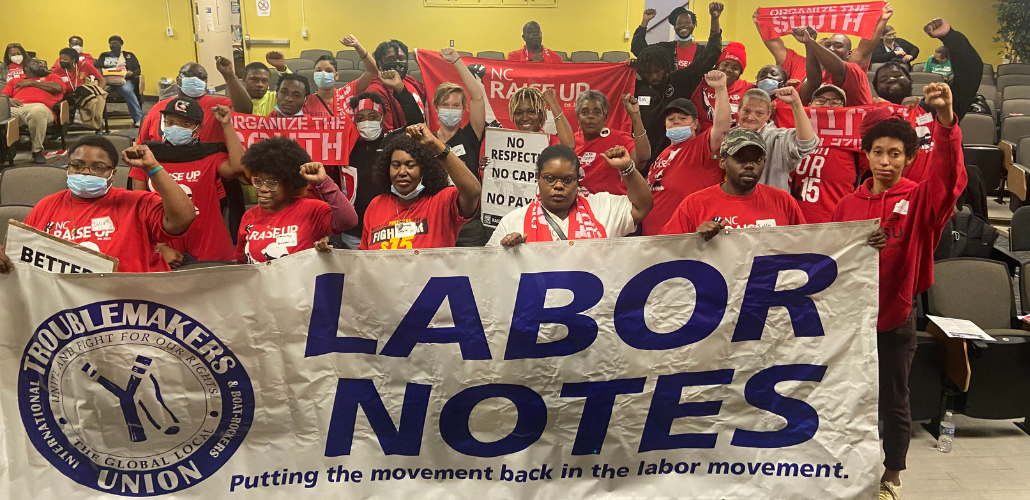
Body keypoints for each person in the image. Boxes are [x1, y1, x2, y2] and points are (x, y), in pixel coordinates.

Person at [831, 83, 965, 500]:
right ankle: (844, 465)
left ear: (909, 159)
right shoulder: (845, 206)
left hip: (895, 317)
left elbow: (947, 179)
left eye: (895, 154)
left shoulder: (921, 199)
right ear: (866, 154)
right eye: (878, 152)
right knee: (845, 397)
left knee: (893, 399)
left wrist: (946, 124)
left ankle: (891, 475)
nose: (885, 161)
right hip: (850, 320)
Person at [0, 136, 196, 274]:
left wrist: (153, 168)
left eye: (98, 167)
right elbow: (21, 255)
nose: (86, 172)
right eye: (77, 165)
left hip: (129, 307)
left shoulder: (136, 203)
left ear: (112, 173)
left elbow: (183, 218)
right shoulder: (47, 205)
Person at [129, 98, 245, 267]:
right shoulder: (147, 156)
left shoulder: (210, 154)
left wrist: (226, 125)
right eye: (169, 122)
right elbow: (138, 207)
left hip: (209, 244)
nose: (175, 127)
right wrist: (160, 248)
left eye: (184, 124)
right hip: (163, 243)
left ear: (197, 128)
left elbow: (238, 168)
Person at [490, 144, 652, 246]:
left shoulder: (603, 206)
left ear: (578, 181)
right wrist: (506, 253)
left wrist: (627, 168)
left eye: (567, 179)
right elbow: (486, 268)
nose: (559, 186)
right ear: (538, 178)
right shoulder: (513, 221)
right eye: (550, 179)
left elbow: (642, 207)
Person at [660, 127, 805, 236]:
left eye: (757, 160)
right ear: (722, 161)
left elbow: (806, 247)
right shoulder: (695, 204)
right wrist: (693, 241)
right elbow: (665, 251)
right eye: (740, 159)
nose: (749, 165)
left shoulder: (784, 201)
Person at [237, 136, 358, 263]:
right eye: (258, 181)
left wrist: (324, 182)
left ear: (291, 184)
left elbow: (348, 221)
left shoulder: (312, 210)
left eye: (272, 183)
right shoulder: (249, 216)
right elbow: (241, 263)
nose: (262, 189)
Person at [360, 124, 481, 250]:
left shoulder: (442, 201)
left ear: (424, 169)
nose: (402, 172)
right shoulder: (376, 205)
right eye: (396, 165)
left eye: (410, 165)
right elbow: (364, 259)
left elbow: (473, 191)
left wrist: (435, 145)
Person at [643, 71, 732, 236]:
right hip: (654, 239)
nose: (676, 121)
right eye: (671, 119)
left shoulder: (701, 146)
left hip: (689, 238)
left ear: (695, 124)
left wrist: (720, 89)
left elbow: (722, 129)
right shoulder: (663, 153)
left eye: (683, 118)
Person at [635, 5, 724, 164]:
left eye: (658, 71)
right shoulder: (640, 86)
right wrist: (644, 23)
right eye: (649, 72)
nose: (654, 76)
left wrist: (715, 20)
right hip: (650, 144)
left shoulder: (680, 79)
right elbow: (639, 49)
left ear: (666, 66)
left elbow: (712, 53)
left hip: (680, 138)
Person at [756, 3, 893, 103]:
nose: (829, 50)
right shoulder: (800, 63)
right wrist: (761, 22)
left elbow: (865, 47)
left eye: (837, 46)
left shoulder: (853, 68)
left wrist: (881, 20)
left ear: (849, 53)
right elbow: (777, 48)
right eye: (825, 46)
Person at [430, 48, 493, 247]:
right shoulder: (428, 141)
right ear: (436, 107)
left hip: (470, 226)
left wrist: (457, 61)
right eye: (445, 104)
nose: (450, 109)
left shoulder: (470, 135)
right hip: (437, 221)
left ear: (464, 109)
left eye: (456, 105)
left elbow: (478, 97)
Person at [874, 19, 982, 123]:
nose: (891, 79)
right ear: (876, 89)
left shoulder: (938, 106)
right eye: (883, 79)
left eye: (898, 75)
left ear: (910, 82)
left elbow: (970, 71)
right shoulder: (871, 118)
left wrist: (949, 36)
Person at [138, 58, 253, 143]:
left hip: (204, 166)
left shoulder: (218, 106)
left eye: (201, 77)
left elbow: (245, 110)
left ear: (206, 83)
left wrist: (229, 75)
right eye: (189, 74)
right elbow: (142, 145)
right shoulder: (159, 108)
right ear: (178, 80)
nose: (195, 79)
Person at [791, 84, 861, 224]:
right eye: (820, 100)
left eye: (835, 102)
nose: (827, 105)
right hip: (787, 224)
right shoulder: (790, 132)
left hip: (831, 227)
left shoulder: (855, 139)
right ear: (809, 105)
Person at [735, 86, 817, 192]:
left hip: (768, 206)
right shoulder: (728, 136)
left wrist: (795, 103)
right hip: (732, 205)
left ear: (768, 115)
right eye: (746, 111)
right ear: (738, 110)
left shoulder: (778, 138)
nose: (751, 117)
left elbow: (806, 143)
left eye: (759, 113)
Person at [344, 92, 395, 249]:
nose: (366, 122)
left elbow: (416, 122)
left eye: (373, 116)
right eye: (361, 118)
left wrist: (399, 89)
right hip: (352, 232)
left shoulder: (393, 143)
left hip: (386, 228)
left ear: (383, 118)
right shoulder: (346, 148)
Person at [574, 91, 651, 195]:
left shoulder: (619, 139)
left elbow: (642, 158)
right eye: (585, 112)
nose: (590, 116)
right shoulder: (571, 141)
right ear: (578, 118)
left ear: (604, 118)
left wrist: (635, 115)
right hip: (578, 207)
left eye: (596, 112)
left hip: (611, 207)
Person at [1, 58, 64, 164]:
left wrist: (31, 83)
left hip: (41, 107)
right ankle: (5, 151)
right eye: (36, 63)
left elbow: (58, 87)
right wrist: (9, 100)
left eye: (42, 62)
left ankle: (37, 151)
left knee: (37, 111)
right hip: (16, 108)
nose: (41, 64)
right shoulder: (15, 81)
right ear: (26, 68)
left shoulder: (52, 77)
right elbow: (3, 96)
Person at [307, 36, 380, 121]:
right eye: (319, 70)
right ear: (314, 74)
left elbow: (373, 71)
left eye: (328, 70)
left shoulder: (347, 93)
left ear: (336, 75)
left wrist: (358, 46)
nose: (323, 73)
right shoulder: (306, 102)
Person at [691, 42, 754, 131]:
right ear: (717, 66)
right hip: (701, 140)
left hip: (733, 141)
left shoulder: (749, 89)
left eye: (735, 68)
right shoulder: (698, 84)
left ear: (740, 72)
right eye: (725, 64)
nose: (728, 70)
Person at [632, 5, 721, 69]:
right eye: (679, 23)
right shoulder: (665, 49)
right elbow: (639, 49)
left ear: (694, 25)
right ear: (674, 27)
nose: (683, 25)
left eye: (687, 22)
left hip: (695, 94)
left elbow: (714, 51)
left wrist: (715, 18)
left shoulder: (702, 52)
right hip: (669, 93)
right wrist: (645, 21)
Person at [365, 39, 427, 131]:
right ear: (380, 63)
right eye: (391, 59)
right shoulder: (375, 92)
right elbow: (386, 134)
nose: (398, 63)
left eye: (401, 58)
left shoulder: (409, 81)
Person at [95, 35, 144, 126]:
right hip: (107, 81)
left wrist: (131, 73)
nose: (114, 45)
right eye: (112, 43)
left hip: (124, 81)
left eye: (116, 43)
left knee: (127, 90)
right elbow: (97, 67)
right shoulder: (104, 55)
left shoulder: (129, 56)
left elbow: (137, 69)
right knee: (98, 93)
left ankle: (138, 118)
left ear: (121, 44)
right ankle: (99, 119)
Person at [508, 87, 575, 147]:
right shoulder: (507, 141)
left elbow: (569, 146)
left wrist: (553, 104)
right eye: (518, 113)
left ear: (540, 115)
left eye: (531, 112)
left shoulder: (549, 141)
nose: (525, 118)